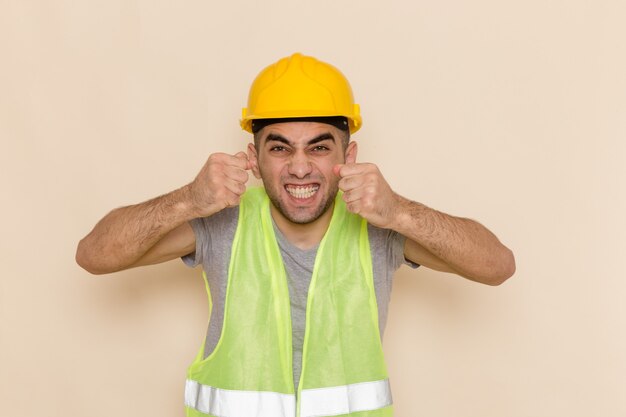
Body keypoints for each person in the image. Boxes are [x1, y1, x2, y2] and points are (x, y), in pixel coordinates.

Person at [76, 52, 515, 417]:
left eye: (320, 147)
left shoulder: (380, 225)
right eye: (280, 147)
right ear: (254, 157)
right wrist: (188, 199)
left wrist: (399, 211)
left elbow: (497, 266)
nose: (300, 167)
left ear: (350, 154)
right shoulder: (221, 220)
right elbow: (95, 254)